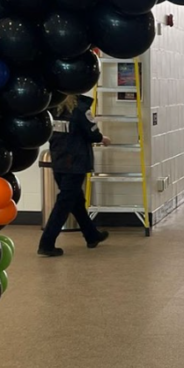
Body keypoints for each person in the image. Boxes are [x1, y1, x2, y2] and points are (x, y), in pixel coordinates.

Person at [38, 94, 111, 257]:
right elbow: (92, 132)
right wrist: (102, 138)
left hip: (58, 161)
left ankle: (92, 235)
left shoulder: (51, 109)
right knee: (64, 204)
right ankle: (47, 243)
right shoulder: (80, 109)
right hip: (75, 163)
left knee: (76, 201)